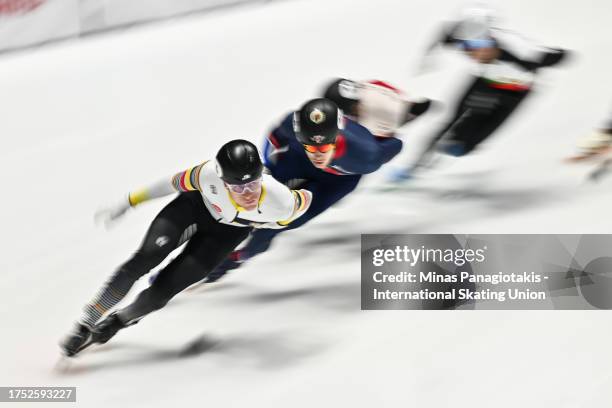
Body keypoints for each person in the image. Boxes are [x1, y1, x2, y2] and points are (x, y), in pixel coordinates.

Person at [61, 139, 312, 357]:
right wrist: (129, 202)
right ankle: (87, 321)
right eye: (237, 187)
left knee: (162, 292)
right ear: (223, 182)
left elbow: (308, 199)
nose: (247, 194)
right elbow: (170, 184)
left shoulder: (281, 202)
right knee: (144, 259)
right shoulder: (207, 175)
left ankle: (118, 322)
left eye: (252, 185)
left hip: (227, 233)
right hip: (192, 209)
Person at [201, 93, 430, 284]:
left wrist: (388, 132)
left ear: (337, 138)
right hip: (298, 160)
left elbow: (397, 144)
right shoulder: (294, 124)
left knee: (283, 220)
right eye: (311, 145)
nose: (318, 154)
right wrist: (268, 168)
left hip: (336, 181)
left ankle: (237, 258)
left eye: (323, 147)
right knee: (255, 196)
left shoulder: (366, 156)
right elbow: (275, 136)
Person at [391, 5, 569, 180]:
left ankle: (463, 145)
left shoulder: (522, 52)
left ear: (490, 42)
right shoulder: (462, 38)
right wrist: (429, 57)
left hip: (515, 92)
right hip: (485, 82)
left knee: (476, 134)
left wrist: (549, 59)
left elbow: (560, 55)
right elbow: (444, 33)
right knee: (450, 122)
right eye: (465, 49)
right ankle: (413, 168)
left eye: (476, 49)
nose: (471, 55)